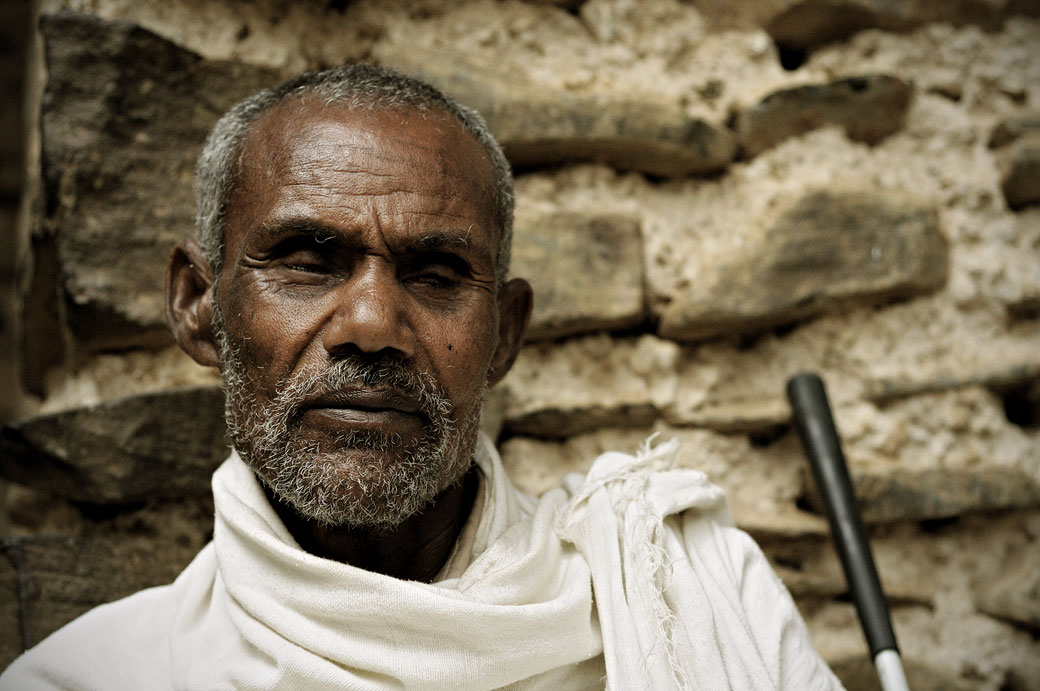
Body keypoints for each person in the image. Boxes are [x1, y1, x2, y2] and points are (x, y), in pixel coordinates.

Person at [1, 64, 843, 690]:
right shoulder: (90, 678)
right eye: (307, 262)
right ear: (198, 307)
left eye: (436, 273)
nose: (373, 325)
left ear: (504, 333)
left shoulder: (684, 591)